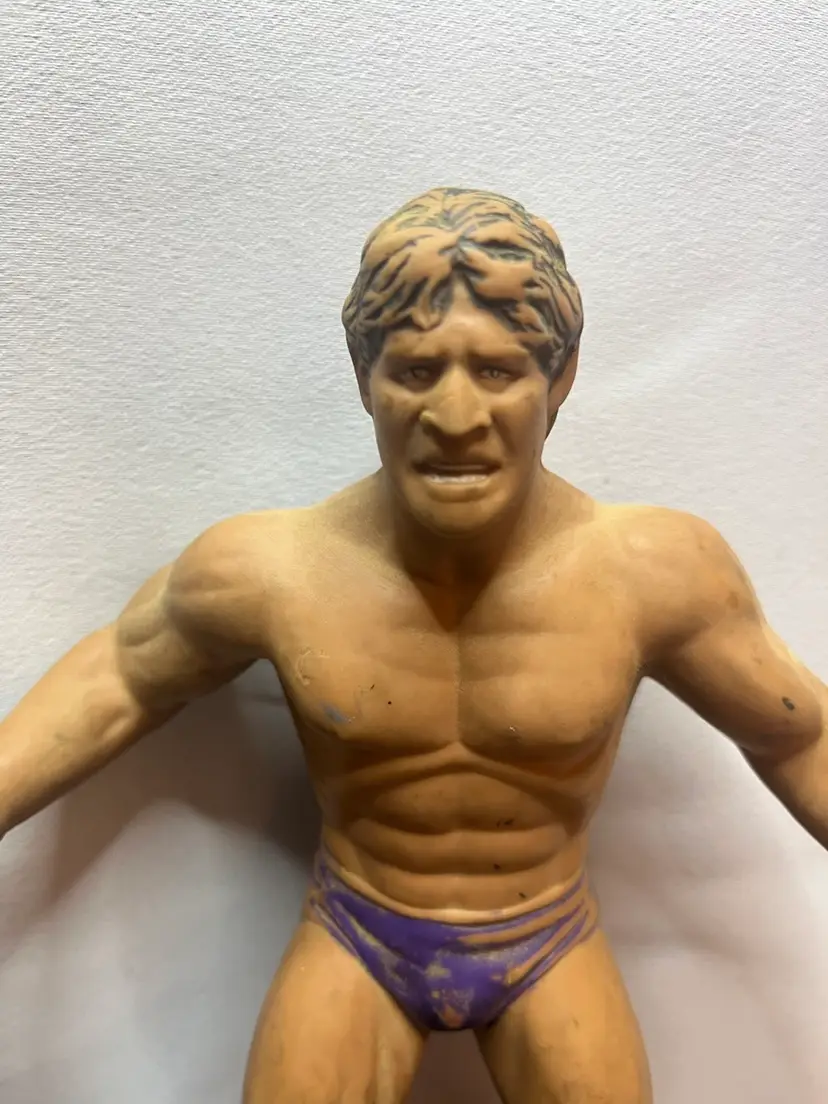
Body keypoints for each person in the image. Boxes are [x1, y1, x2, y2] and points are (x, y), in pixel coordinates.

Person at [1, 187, 825, 1104]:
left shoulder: (656, 573)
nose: (456, 415)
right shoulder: (274, 570)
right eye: (417, 371)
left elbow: (800, 735)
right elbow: (116, 680)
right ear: (365, 378)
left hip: (547, 938)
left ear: (560, 379)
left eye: (499, 371)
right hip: (360, 930)